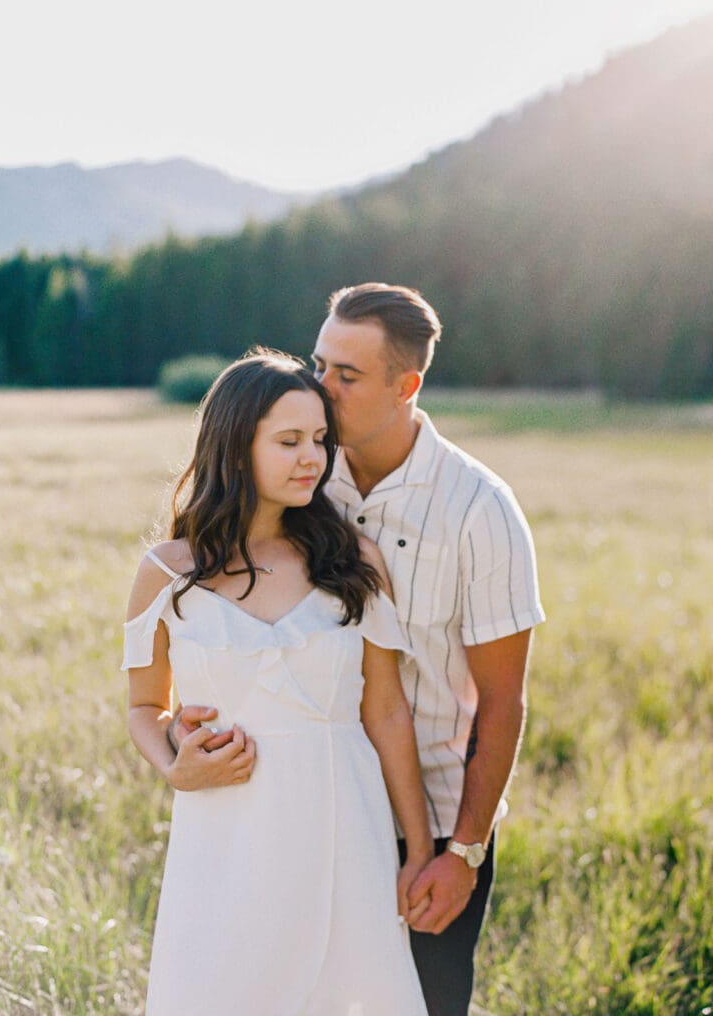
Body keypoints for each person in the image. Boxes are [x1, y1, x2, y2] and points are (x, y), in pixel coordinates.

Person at [170, 284, 546, 1016]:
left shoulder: (481, 510)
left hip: (434, 822)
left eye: (346, 375)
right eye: (319, 363)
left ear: (406, 386)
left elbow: (502, 702)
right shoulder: (302, 475)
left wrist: (461, 853)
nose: (319, 386)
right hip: (307, 804)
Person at [122, 348, 433, 1015]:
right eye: (289, 441)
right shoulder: (165, 571)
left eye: (319, 439)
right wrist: (174, 768)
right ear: (235, 448)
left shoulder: (352, 559)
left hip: (342, 824)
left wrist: (419, 848)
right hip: (225, 830)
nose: (312, 459)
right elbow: (145, 706)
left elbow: (386, 711)